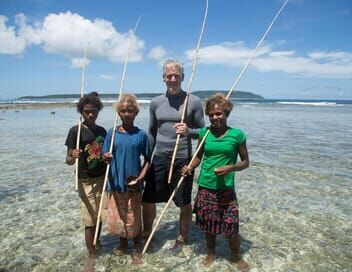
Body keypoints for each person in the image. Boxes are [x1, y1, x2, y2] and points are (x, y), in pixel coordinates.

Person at [181, 93, 250, 270]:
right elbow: (197, 157)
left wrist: (230, 168)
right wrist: (189, 167)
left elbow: (245, 162)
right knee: (208, 225)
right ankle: (211, 252)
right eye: (211, 114)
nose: (214, 117)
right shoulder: (205, 133)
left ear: (226, 113)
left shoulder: (237, 135)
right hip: (206, 186)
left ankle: (235, 255)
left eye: (218, 114)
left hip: (226, 188)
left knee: (231, 226)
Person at [142, 59, 205, 249]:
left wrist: (189, 131)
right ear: (163, 78)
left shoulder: (193, 102)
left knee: (183, 201)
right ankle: (148, 233)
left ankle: (181, 237)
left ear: (183, 77)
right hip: (160, 156)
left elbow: (204, 133)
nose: (173, 79)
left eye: (176, 76)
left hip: (182, 158)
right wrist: (147, 160)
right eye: (169, 76)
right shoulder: (155, 103)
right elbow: (152, 132)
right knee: (148, 199)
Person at [103, 94, 150, 265]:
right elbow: (105, 155)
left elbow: (148, 159)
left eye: (130, 111)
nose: (126, 114)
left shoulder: (141, 135)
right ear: (118, 113)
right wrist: (106, 157)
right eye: (123, 111)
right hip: (115, 183)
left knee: (134, 217)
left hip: (133, 185)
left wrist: (141, 177)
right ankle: (122, 243)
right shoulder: (112, 134)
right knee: (119, 218)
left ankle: (137, 248)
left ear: (136, 113)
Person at [65, 92, 106, 270]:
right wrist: (73, 156)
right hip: (85, 179)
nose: (90, 115)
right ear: (81, 111)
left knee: (99, 215)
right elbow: (68, 160)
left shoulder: (102, 131)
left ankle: (97, 243)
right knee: (89, 218)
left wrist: (107, 157)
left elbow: (103, 155)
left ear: (98, 111)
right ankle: (91, 254)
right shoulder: (75, 131)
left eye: (94, 111)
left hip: (102, 178)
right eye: (87, 111)